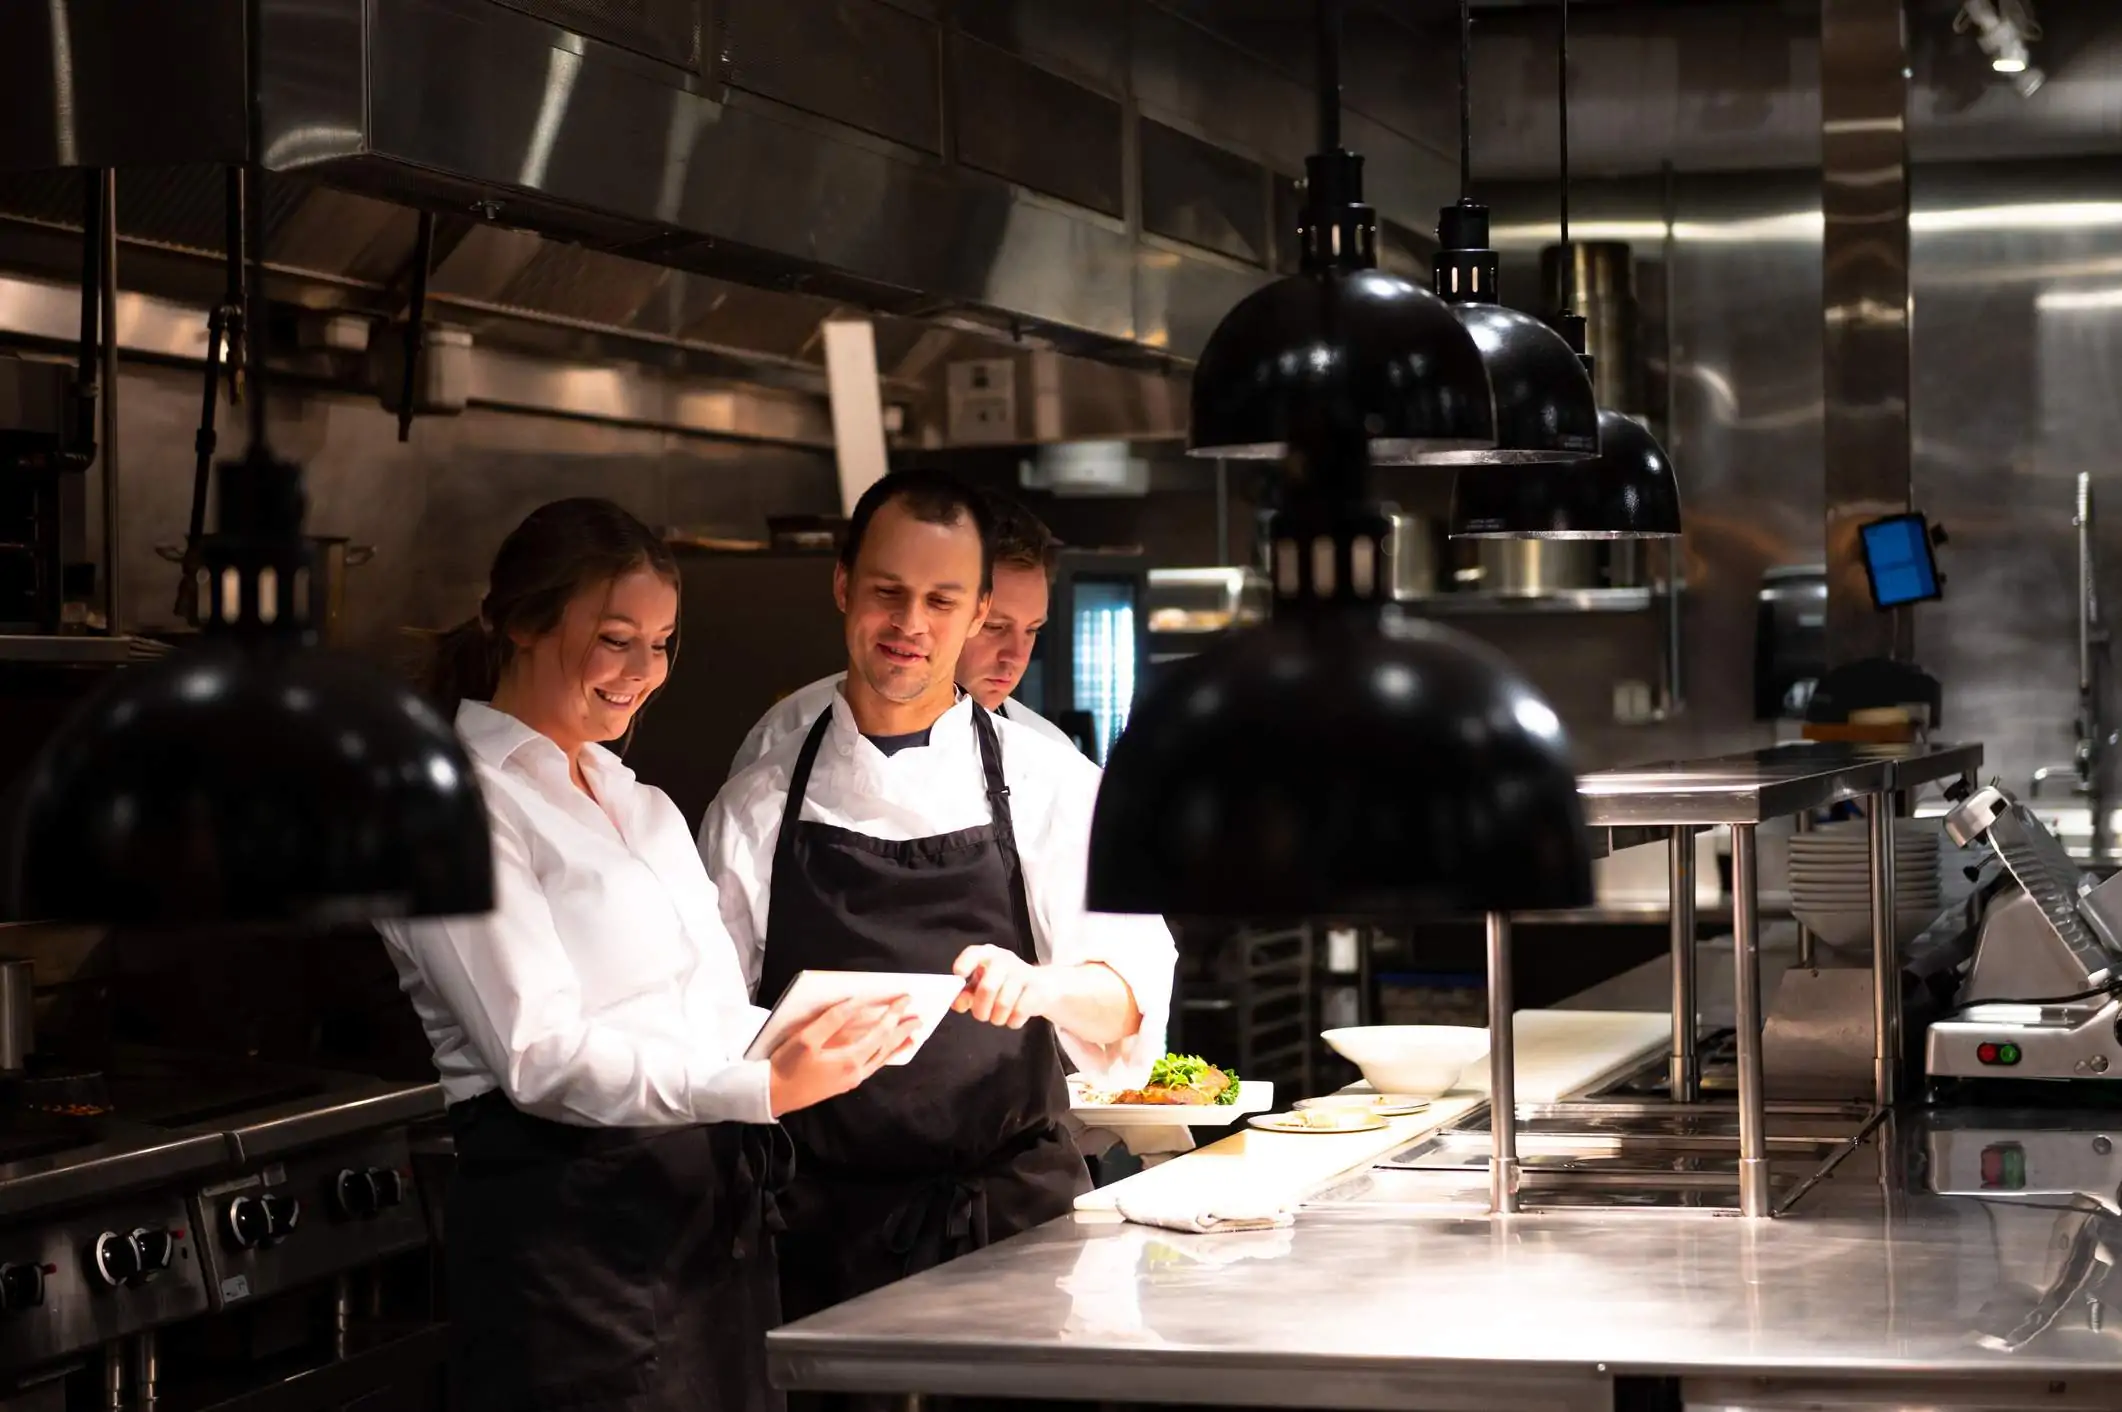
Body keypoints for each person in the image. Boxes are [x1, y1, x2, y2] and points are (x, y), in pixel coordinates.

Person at [378, 498, 919, 1412]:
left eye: (661, 644)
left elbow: (702, 1016)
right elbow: (537, 1056)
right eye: (616, 639)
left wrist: (826, 1029)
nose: (641, 674)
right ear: (516, 622)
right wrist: (762, 1088)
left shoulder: (642, 806)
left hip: (704, 1225)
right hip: (567, 1240)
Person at [698, 471, 1175, 1365]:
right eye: (887, 593)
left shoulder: (1048, 786)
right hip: (813, 1233)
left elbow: (1131, 998)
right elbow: (708, 1028)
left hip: (1013, 1230)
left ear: (975, 612)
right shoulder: (758, 804)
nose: (910, 625)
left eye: (941, 600)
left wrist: (1041, 988)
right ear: (843, 587)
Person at [725, 490, 1074, 777]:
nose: (1015, 657)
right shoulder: (785, 736)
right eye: (995, 627)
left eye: (1032, 631)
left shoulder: (1053, 762)